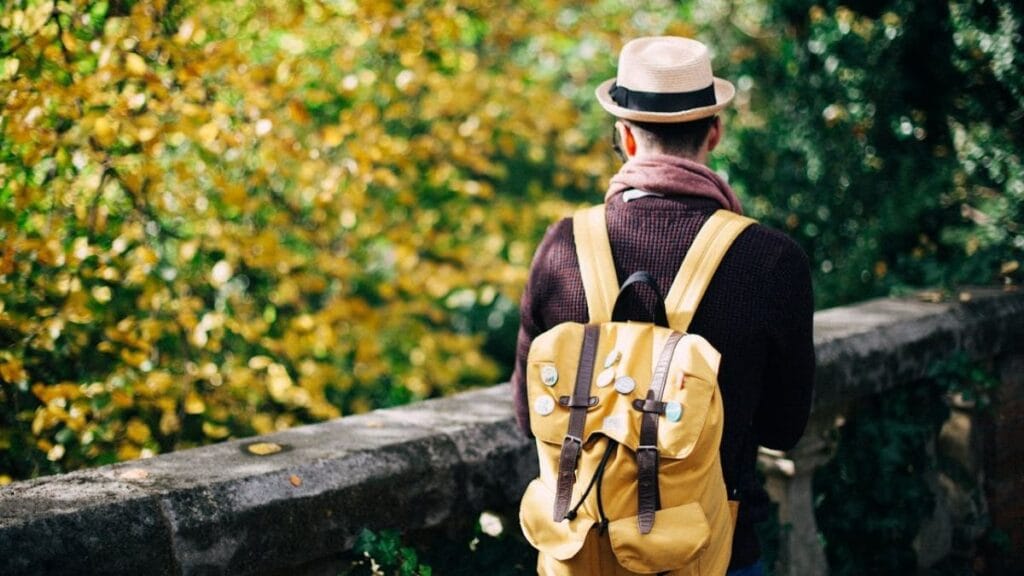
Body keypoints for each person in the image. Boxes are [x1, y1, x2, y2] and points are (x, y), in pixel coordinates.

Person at [510, 36, 815, 575]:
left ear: (624, 137)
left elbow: (526, 415)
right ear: (715, 131)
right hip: (712, 552)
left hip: (585, 555)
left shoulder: (563, 246)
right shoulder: (771, 261)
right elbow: (782, 428)